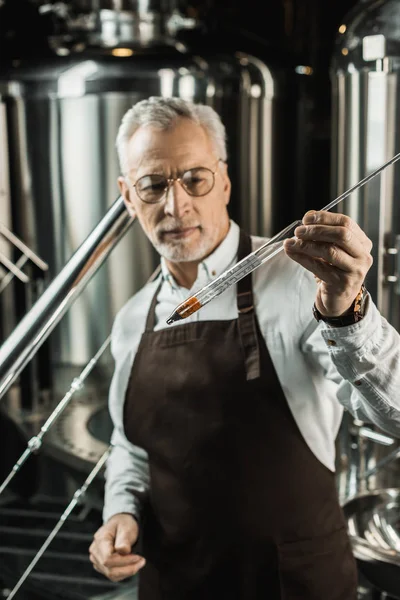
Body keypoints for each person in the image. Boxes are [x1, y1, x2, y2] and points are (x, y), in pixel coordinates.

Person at [89, 96, 400, 600]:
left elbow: (396, 415)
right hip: (177, 585)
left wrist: (349, 312)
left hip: (292, 584)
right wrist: (119, 513)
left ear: (225, 181)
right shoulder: (131, 320)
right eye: (152, 185)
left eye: (195, 178)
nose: (176, 205)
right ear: (128, 196)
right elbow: (131, 446)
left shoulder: (302, 281)